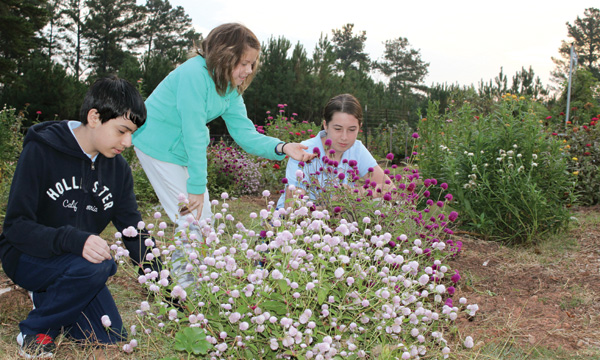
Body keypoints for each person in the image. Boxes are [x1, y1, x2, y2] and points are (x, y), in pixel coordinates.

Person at [0, 76, 157, 358]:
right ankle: (34, 330)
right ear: (94, 117)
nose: (128, 142)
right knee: (100, 266)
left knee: (108, 337)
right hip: (26, 256)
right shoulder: (41, 150)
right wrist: (74, 239)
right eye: (122, 130)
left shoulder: (118, 170)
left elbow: (134, 230)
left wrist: (167, 290)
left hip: (78, 267)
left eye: (132, 132)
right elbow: (15, 227)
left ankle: (51, 296)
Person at [132, 23, 315, 227]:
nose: (249, 70)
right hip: (156, 144)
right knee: (193, 220)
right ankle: (189, 259)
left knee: (203, 220)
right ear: (224, 56)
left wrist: (283, 147)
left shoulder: (228, 87)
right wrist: (196, 186)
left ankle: (191, 259)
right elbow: (195, 133)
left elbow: (245, 133)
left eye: (252, 64)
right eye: (244, 63)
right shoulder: (194, 75)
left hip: (178, 149)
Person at [277, 93, 393, 209]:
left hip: (342, 221)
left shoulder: (356, 149)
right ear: (325, 126)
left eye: (352, 130)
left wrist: (355, 193)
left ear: (359, 127)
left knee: (383, 206)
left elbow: (391, 189)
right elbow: (292, 207)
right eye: (338, 129)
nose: (344, 137)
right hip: (299, 223)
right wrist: (332, 208)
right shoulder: (304, 151)